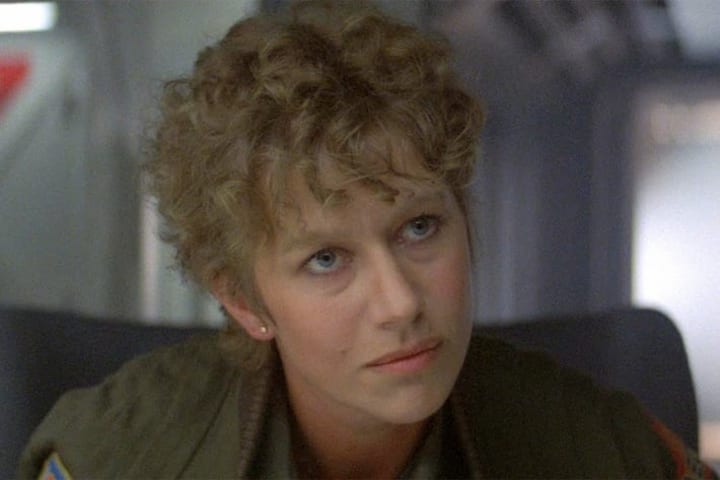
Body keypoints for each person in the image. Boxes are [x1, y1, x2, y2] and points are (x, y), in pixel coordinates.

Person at [17, 1, 719, 479]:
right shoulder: (120, 455)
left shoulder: (597, 448)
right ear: (243, 300)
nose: (399, 303)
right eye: (326, 260)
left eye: (419, 227)